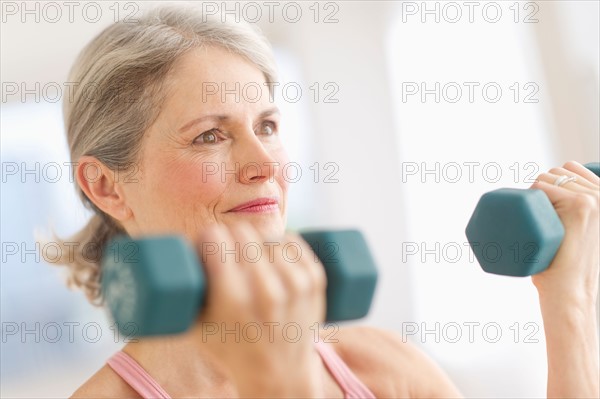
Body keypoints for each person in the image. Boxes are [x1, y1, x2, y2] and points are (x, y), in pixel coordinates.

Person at [49, 5, 599, 398]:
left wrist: (567, 304)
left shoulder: (383, 367)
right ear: (107, 187)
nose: (263, 162)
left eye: (267, 126)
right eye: (209, 136)